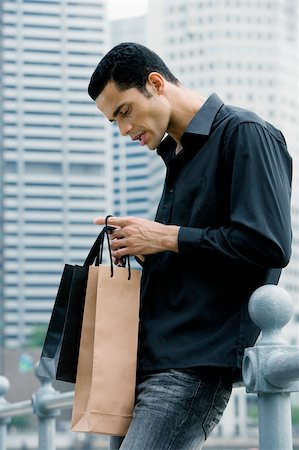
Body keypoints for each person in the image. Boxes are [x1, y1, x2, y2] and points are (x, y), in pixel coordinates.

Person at [88, 42, 292, 449]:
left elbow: (267, 244)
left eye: (124, 111)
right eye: (113, 121)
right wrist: (146, 249)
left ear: (156, 83)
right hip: (141, 365)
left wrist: (163, 236)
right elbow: (199, 256)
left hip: (191, 367)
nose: (123, 130)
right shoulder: (177, 156)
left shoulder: (246, 135)